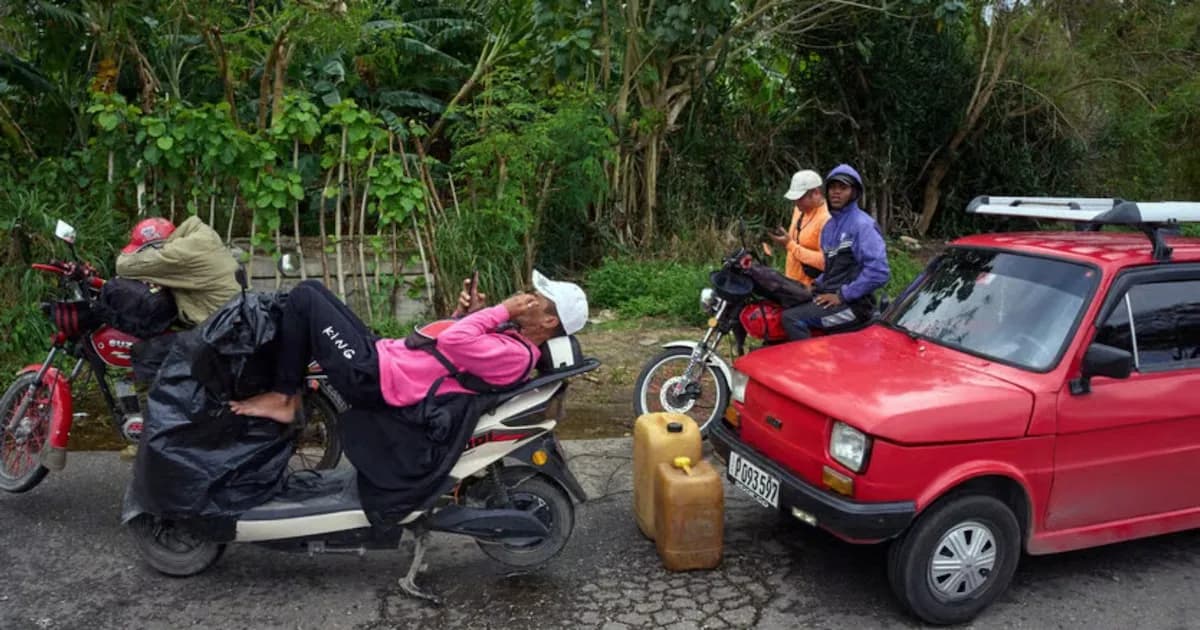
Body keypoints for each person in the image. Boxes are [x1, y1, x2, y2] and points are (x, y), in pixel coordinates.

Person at [230, 270, 589, 423]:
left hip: (377, 377)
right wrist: (469, 313)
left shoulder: (514, 355)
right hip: (386, 358)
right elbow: (451, 351)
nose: (525, 299)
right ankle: (284, 390)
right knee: (315, 295)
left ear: (549, 323)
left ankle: (283, 398)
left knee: (306, 297)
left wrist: (499, 311)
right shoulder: (513, 339)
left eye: (536, 301)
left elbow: (453, 342)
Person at [780, 164, 890, 340]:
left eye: (843, 187)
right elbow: (832, 270)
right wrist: (815, 285)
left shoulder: (863, 225)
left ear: (854, 192)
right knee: (785, 306)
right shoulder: (829, 227)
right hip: (833, 297)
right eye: (833, 187)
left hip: (856, 307)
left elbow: (879, 272)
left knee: (791, 318)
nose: (836, 192)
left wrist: (842, 295)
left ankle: (809, 366)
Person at [115, 215, 240, 326]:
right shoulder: (199, 236)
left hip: (221, 326)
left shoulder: (178, 254)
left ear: (156, 246)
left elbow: (123, 266)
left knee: (151, 349)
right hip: (234, 313)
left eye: (143, 251)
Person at [769, 169, 831, 287]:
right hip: (791, 281)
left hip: (810, 289)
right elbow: (795, 242)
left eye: (800, 198)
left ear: (816, 193)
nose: (796, 202)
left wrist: (790, 245)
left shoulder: (827, 220)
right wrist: (783, 241)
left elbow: (825, 262)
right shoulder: (799, 209)